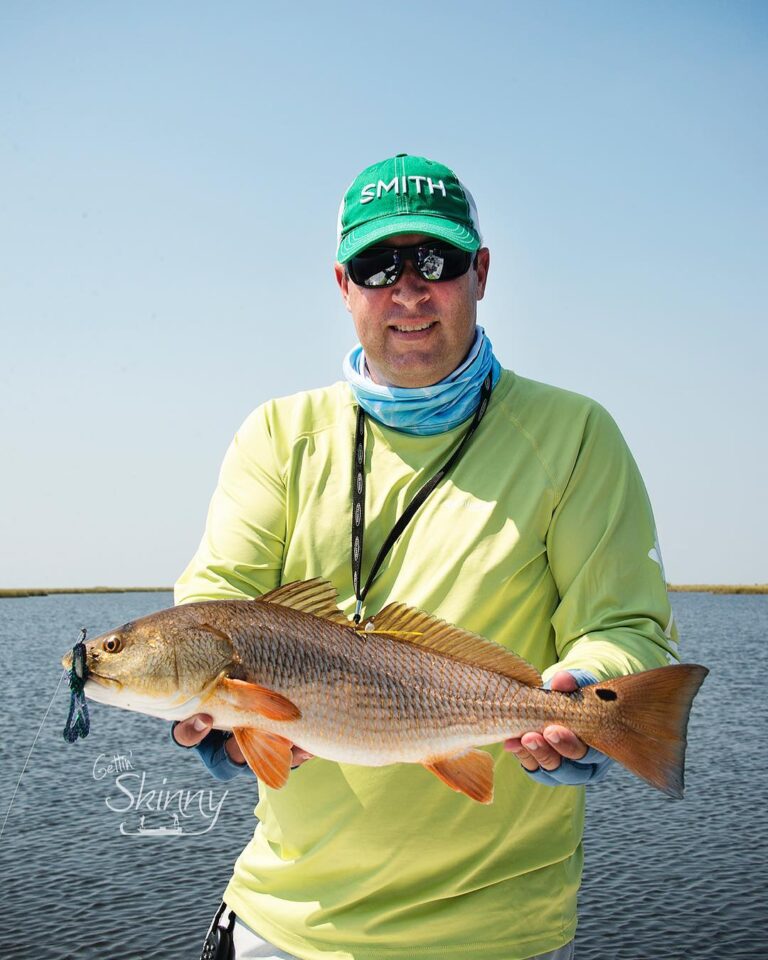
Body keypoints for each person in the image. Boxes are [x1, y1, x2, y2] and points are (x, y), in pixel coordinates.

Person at [172, 154, 679, 960]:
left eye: (434, 261)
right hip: (290, 923)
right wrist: (217, 729)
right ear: (343, 285)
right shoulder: (275, 435)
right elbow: (215, 608)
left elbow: (624, 623)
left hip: (499, 934)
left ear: (480, 272)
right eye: (378, 266)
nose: (407, 291)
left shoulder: (575, 433)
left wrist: (588, 693)